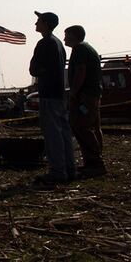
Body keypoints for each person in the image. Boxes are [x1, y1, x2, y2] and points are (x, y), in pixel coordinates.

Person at [29, 11, 75, 187]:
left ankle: (57, 171)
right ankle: (69, 169)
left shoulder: (45, 42)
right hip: (59, 93)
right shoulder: (58, 43)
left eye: (38, 21)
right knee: (63, 132)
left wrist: (38, 70)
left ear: (46, 23)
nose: (35, 24)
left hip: (49, 93)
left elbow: (34, 69)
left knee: (52, 134)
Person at [63, 25, 106, 178]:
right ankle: (93, 162)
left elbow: (81, 71)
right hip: (92, 95)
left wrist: (74, 92)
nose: (64, 38)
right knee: (93, 126)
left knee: (81, 126)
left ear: (74, 35)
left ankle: (95, 163)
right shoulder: (87, 49)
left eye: (67, 35)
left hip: (85, 96)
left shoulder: (79, 49)